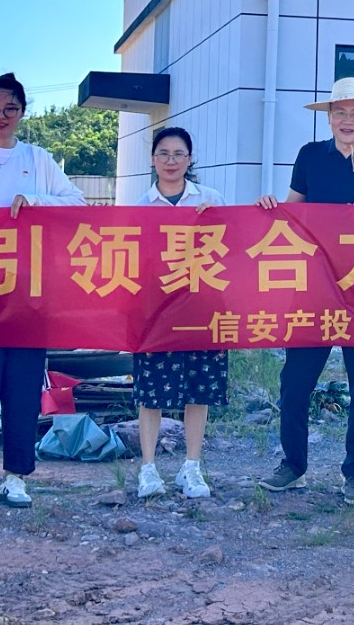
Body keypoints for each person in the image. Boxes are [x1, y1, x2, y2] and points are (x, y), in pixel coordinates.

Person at [254, 77, 354, 505]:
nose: (347, 120)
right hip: (314, 289)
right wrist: (272, 209)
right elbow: (294, 210)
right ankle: (292, 464)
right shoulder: (310, 156)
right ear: (329, 118)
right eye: (340, 113)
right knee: (295, 382)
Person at [0, 73, 86, 512]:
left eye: (9, 109)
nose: (0, 116)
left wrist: (35, 199)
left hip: (29, 293)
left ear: (23, 112)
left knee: (22, 390)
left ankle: (17, 476)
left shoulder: (38, 160)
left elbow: (76, 203)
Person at [131, 126, 227, 500]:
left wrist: (216, 220)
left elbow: (234, 245)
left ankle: (192, 467)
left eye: (178, 154)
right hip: (156, 312)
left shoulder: (211, 199)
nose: (171, 161)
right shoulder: (141, 207)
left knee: (198, 389)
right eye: (164, 154)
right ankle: (148, 468)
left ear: (190, 159)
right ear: (153, 159)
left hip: (202, 308)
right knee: (150, 391)